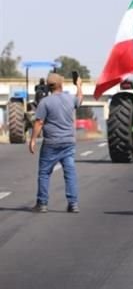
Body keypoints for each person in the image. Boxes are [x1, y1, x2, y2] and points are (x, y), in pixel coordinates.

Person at [29, 72, 83, 213]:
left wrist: (33, 140)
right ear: (61, 84)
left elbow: (39, 122)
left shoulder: (45, 102)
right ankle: (73, 204)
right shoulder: (70, 99)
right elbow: (79, 100)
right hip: (68, 142)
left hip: (51, 143)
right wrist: (79, 86)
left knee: (44, 173)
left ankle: (42, 204)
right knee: (70, 173)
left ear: (48, 86)